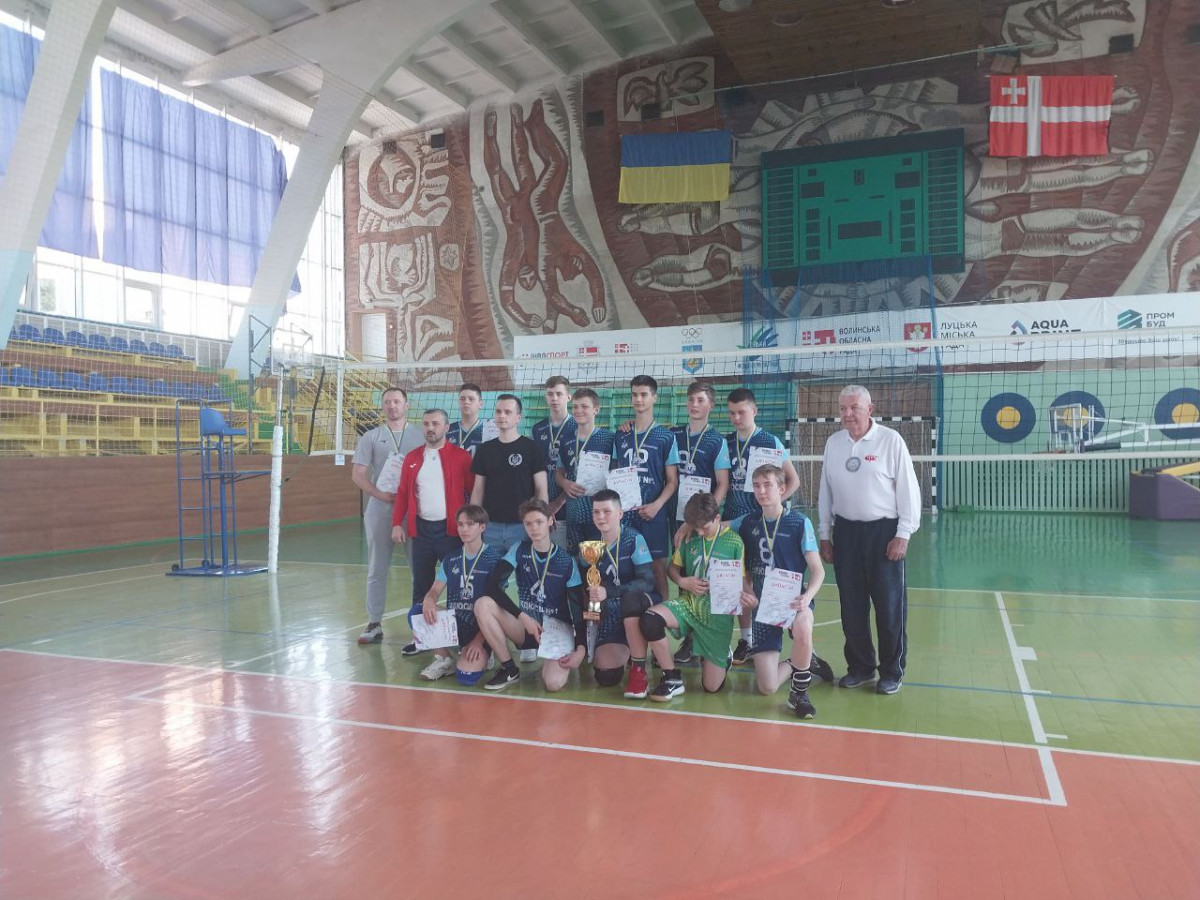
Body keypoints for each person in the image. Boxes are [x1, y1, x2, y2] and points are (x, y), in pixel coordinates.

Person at [818, 385, 921, 695]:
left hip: (884, 533)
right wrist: (825, 533)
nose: (848, 414)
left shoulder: (891, 440)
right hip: (846, 533)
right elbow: (826, 491)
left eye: (855, 408)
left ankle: (892, 671)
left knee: (889, 608)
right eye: (843, 408)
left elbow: (908, 491)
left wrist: (903, 533)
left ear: (870, 409)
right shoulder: (834, 443)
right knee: (851, 608)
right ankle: (860, 667)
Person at [622, 492, 745, 702]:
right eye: (695, 527)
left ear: (717, 518)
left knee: (711, 687)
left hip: (717, 615)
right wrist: (682, 581)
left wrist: (745, 597)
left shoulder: (734, 542)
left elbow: (740, 582)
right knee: (650, 619)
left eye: (704, 527)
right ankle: (671, 677)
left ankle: (723, 656)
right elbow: (672, 568)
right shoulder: (691, 536)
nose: (699, 531)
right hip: (689, 604)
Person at [736, 465, 832, 719]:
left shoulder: (798, 523)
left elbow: (818, 570)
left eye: (767, 485)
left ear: (781, 489)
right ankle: (801, 662)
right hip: (763, 608)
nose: (761, 491)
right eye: (757, 486)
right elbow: (744, 571)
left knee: (803, 626)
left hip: (793, 602)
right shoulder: (748, 524)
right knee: (767, 687)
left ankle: (799, 693)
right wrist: (747, 590)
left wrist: (807, 597)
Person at [473, 499, 586, 692]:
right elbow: (491, 586)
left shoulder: (566, 562)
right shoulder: (519, 550)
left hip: (555, 630)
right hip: (526, 627)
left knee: (553, 683)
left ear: (550, 521)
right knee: (483, 604)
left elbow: (577, 609)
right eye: (529, 523)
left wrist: (581, 649)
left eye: (539, 522)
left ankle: (555, 655)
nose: (534, 528)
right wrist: (522, 617)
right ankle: (509, 669)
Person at [724, 387, 800, 665]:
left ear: (754, 411)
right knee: (740, 580)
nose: (736, 418)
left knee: (768, 577)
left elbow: (793, 480)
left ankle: (797, 638)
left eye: (741, 412)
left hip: (763, 523)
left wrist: (771, 505)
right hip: (735, 521)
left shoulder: (769, 441)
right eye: (731, 413)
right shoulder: (726, 442)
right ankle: (747, 640)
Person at [391, 408, 475, 656]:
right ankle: (422, 639)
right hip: (422, 532)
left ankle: (463, 639)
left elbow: (474, 490)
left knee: (457, 587)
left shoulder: (461, 457)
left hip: (451, 532)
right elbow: (403, 493)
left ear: (446, 427)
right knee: (421, 585)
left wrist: (472, 526)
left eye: (435, 424)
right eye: (426, 424)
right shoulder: (412, 458)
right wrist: (397, 523)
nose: (430, 428)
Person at [352, 386, 424, 645]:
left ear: (406, 405)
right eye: (387, 402)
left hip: (414, 510)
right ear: (382, 406)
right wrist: (380, 495)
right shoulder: (371, 437)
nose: (392, 406)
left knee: (419, 569)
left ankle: (421, 625)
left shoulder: (421, 434)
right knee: (377, 568)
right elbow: (358, 474)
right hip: (381, 510)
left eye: (396, 401)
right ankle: (374, 623)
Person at [669, 381, 732, 664]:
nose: (694, 405)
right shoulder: (673, 435)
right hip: (675, 516)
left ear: (711, 405)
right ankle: (689, 637)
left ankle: (713, 637)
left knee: (704, 575)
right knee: (684, 577)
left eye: (700, 400)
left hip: (700, 521)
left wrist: (699, 519)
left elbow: (722, 484)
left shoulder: (716, 441)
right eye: (691, 399)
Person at [415, 505, 506, 684]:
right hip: (456, 624)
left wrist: (478, 642)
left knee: (466, 677)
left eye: (470, 524)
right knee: (418, 612)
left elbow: (499, 607)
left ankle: (487, 652)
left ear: (482, 527)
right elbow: (435, 590)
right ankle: (444, 659)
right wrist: (429, 599)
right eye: (460, 524)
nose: (464, 529)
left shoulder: (494, 560)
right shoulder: (451, 559)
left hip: (482, 628)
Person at [580, 489, 658, 689]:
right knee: (606, 677)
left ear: (620, 514)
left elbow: (647, 582)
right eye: (596, 512)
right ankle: (623, 647)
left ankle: (638, 650)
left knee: (633, 604)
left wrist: (609, 592)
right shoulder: (591, 544)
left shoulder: (633, 539)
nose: (601, 517)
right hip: (609, 610)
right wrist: (592, 617)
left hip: (634, 608)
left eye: (607, 511)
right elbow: (588, 588)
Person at [612, 374, 679, 602]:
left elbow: (672, 481)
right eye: (634, 395)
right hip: (626, 513)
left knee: (658, 568)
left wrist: (657, 505)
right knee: (626, 566)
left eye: (644, 395)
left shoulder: (666, 436)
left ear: (654, 398)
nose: (638, 400)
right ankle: (631, 613)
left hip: (653, 512)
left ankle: (664, 614)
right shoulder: (621, 434)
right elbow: (615, 473)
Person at [470, 393, 549, 550]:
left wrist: (541, 521)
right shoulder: (485, 449)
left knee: (523, 567)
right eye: (498, 411)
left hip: (523, 526)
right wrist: (474, 522)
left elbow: (541, 489)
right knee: (491, 567)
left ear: (518, 418)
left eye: (507, 412)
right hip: (490, 526)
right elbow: (478, 490)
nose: (502, 416)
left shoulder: (531, 448)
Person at [555, 387, 614, 552]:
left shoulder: (609, 438)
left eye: (584, 406)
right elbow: (558, 473)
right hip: (574, 511)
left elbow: (616, 471)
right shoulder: (566, 440)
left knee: (599, 560)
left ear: (596, 409)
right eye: (575, 406)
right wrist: (565, 483)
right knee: (576, 557)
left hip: (600, 512)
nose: (578, 410)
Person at [531, 375, 576, 546]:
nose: (554, 398)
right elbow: (534, 470)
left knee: (569, 552)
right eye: (550, 394)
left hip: (571, 502)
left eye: (559, 394)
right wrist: (542, 504)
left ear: (569, 397)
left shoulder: (578, 427)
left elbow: (580, 473)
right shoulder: (538, 429)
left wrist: (557, 504)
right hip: (543, 502)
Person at [448, 383, 490, 457]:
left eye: (471, 399)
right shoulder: (447, 430)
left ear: (480, 404)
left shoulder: (488, 430)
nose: (466, 402)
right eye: (462, 399)